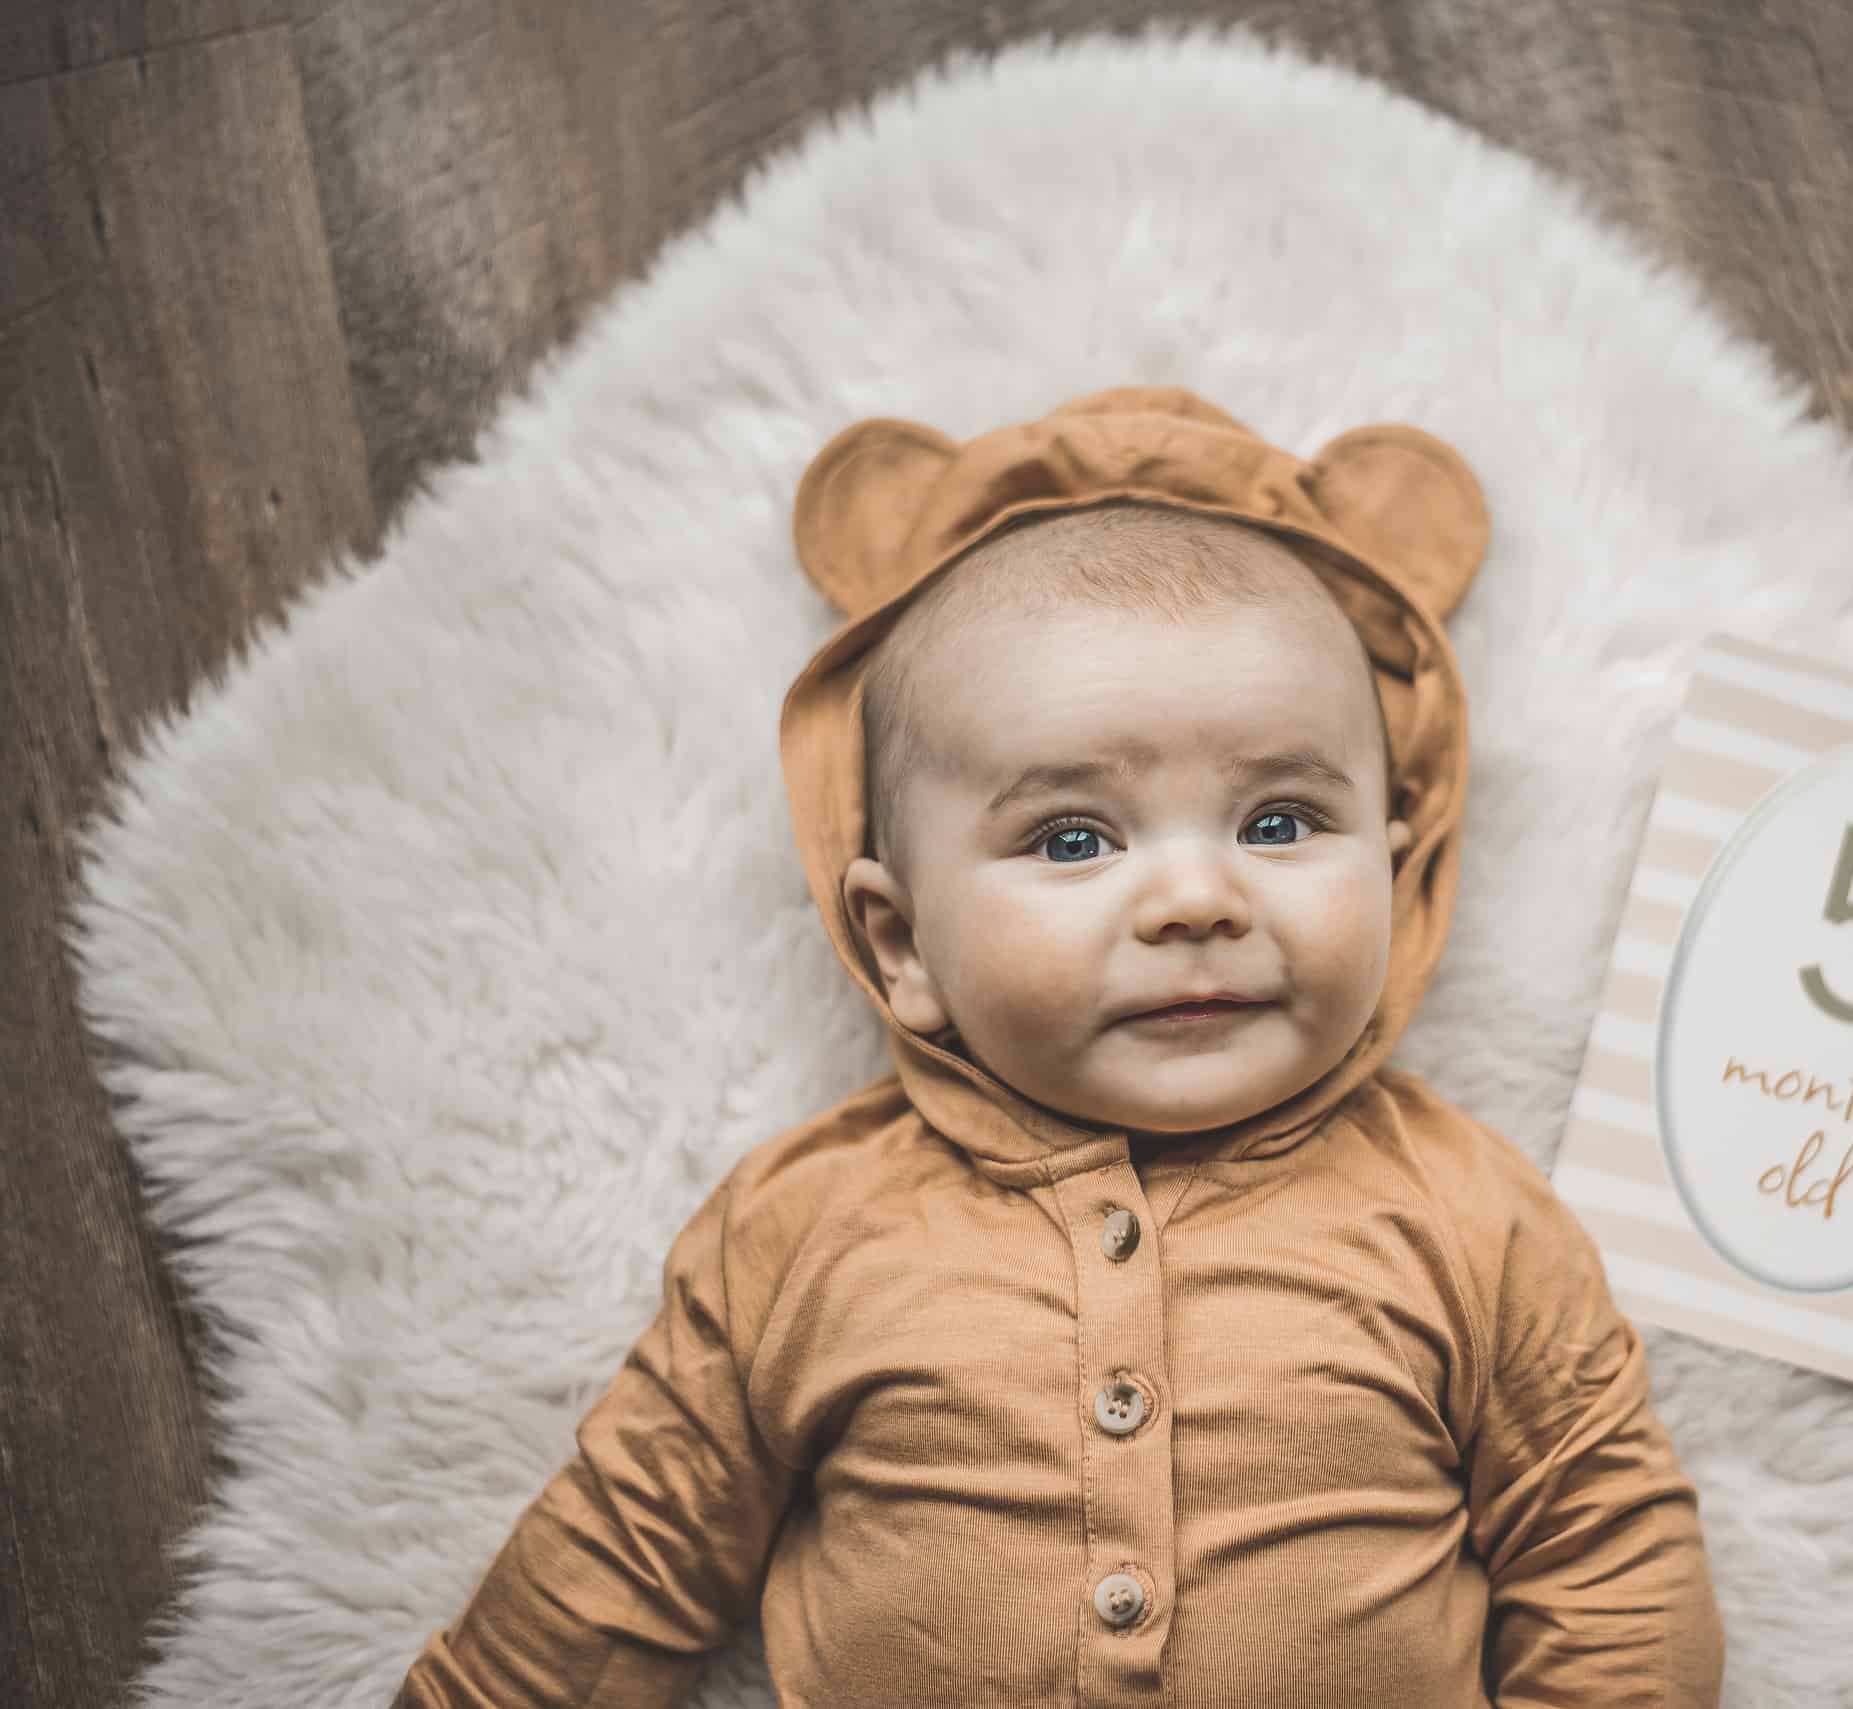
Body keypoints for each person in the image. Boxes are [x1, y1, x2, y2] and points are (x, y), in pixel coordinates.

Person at [391, 385, 1726, 1707]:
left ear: (1394, 865)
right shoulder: (804, 1234)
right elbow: (623, 1555)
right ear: (903, 943)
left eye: (1278, 822)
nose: (1200, 897)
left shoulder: (1470, 1214)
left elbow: (1607, 1554)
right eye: (1074, 839)